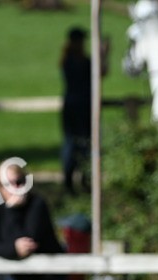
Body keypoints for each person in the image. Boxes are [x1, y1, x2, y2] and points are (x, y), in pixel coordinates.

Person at [60, 27, 107, 195]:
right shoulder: (74, 61)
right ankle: (72, 181)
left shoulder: (73, 60)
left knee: (82, 143)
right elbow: (99, 73)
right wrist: (102, 56)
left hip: (79, 107)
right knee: (75, 144)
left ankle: (82, 180)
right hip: (79, 107)